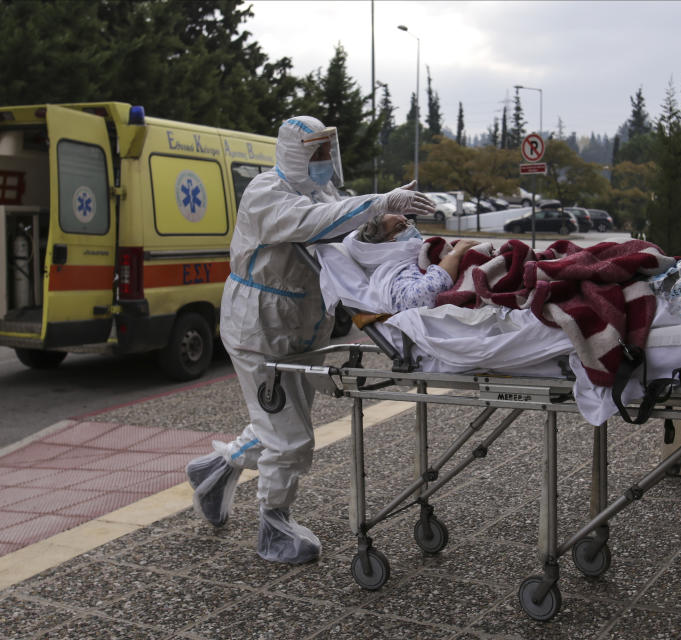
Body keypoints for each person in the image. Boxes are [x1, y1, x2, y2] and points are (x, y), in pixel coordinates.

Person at [184, 115, 435, 564]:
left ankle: (214, 471)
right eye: (314, 152)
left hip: (298, 326)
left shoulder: (322, 193)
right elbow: (313, 223)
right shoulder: (266, 194)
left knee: (280, 419)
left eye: (326, 151)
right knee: (290, 436)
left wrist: (380, 227)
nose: (322, 161)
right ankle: (273, 526)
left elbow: (342, 235)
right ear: (292, 152)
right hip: (258, 327)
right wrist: (378, 201)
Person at [351, 213, 480, 313]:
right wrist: (455, 254)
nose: (410, 228)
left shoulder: (417, 256)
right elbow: (420, 298)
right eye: (400, 227)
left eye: (408, 222)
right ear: (384, 243)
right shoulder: (391, 274)